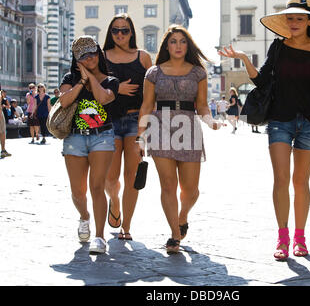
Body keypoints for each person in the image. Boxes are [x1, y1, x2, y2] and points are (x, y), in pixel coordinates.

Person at [219, 0, 310, 260]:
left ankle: (300, 238)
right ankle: (282, 238)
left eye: (299, 18)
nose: (294, 22)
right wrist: (244, 58)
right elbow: (262, 81)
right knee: (281, 180)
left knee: (301, 182)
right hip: (280, 120)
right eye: (290, 17)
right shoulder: (278, 48)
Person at [137, 25, 222, 254]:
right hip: (159, 126)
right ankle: (175, 234)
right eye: (173, 41)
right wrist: (140, 137)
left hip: (189, 128)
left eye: (182, 41)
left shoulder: (198, 72)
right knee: (168, 184)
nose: (178, 46)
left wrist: (211, 122)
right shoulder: (153, 72)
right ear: (166, 45)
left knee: (191, 189)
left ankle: (182, 215)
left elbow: (202, 105)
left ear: (188, 45)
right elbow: (146, 105)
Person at [59, 35, 119, 254]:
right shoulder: (69, 77)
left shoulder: (111, 80)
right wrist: (81, 80)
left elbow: (103, 99)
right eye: (83, 55)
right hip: (75, 137)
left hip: (102, 135)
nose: (90, 57)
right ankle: (84, 216)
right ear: (76, 60)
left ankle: (100, 237)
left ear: (99, 53)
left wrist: (91, 76)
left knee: (97, 186)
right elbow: (64, 101)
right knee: (78, 191)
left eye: (93, 52)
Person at [102, 13, 153, 240]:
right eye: (115, 30)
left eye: (124, 30)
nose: (120, 34)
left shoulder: (143, 58)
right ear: (110, 33)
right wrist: (116, 89)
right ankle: (114, 201)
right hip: (108, 122)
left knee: (132, 175)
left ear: (132, 32)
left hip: (135, 122)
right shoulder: (101, 57)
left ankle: (127, 227)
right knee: (110, 178)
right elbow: (93, 89)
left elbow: (150, 97)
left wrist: (146, 129)